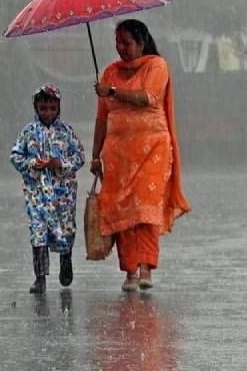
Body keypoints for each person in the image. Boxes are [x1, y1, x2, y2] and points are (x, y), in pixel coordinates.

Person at [91, 19, 191, 293]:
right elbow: (102, 119)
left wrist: (111, 91)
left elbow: (147, 97)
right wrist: (95, 156)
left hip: (152, 150)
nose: (121, 48)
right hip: (118, 155)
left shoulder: (157, 66)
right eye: (117, 43)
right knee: (122, 210)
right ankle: (130, 271)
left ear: (141, 42)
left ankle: (146, 267)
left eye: (127, 42)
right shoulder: (109, 72)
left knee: (145, 209)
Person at [10, 84, 85, 294]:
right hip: (38, 194)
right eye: (43, 108)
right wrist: (33, 164)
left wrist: (60, 164)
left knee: (66, 229)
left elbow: (79, 156)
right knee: (38, 233)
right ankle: (40, 277)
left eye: (52, 108)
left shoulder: (66, 132)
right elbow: (15, 156)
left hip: (64, 194)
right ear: (36, 107)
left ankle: (65, 260)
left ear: (58, 108)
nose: (48, 113)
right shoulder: (28, 132)